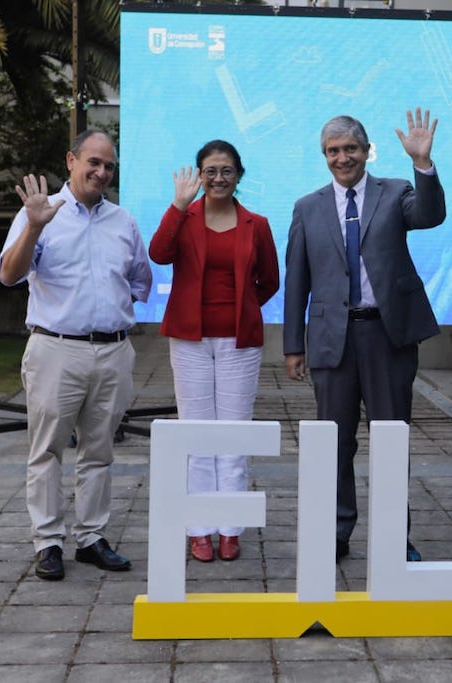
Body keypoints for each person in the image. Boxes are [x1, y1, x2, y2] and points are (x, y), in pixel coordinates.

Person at [284, 109, 445, 562]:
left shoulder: (395, 193)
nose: (342, 158)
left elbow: (431, 215)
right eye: (333, 151)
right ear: (324, 156)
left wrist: (424, 164)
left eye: (350, 149)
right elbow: (297, 279)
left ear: (366, 150)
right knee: (335, 441)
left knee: (392, 438)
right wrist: (294, 345)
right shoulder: (307, 207)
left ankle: (395, 534)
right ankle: (337, 530)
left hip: (387, 337)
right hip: (333, 339)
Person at [0, 129, 153, 580]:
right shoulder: (41, 215)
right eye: (94, 162)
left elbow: (140, 280)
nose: (101, 172)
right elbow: (9, 274)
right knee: (46, 450)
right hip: (55, 350)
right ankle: (48, 542)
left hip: (112, 352)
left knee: (99, 451)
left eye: (109, 166)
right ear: (71, 160)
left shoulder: (123, 221)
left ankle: (91, 537)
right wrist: (34, 226)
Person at [149, 140, 279, 563]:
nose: (218, 178)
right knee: (197, 435)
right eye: (210, 170)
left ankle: (230, 528)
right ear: (199, 175)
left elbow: (270, 281)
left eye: (226, 170)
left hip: (238, 341)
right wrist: (176, 206)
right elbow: (158, 253)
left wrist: (240, 308)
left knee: (233, 436)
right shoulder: (184, 219)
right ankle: (199, 529)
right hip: (189, 340)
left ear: (239, 175)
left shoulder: (256, 224)